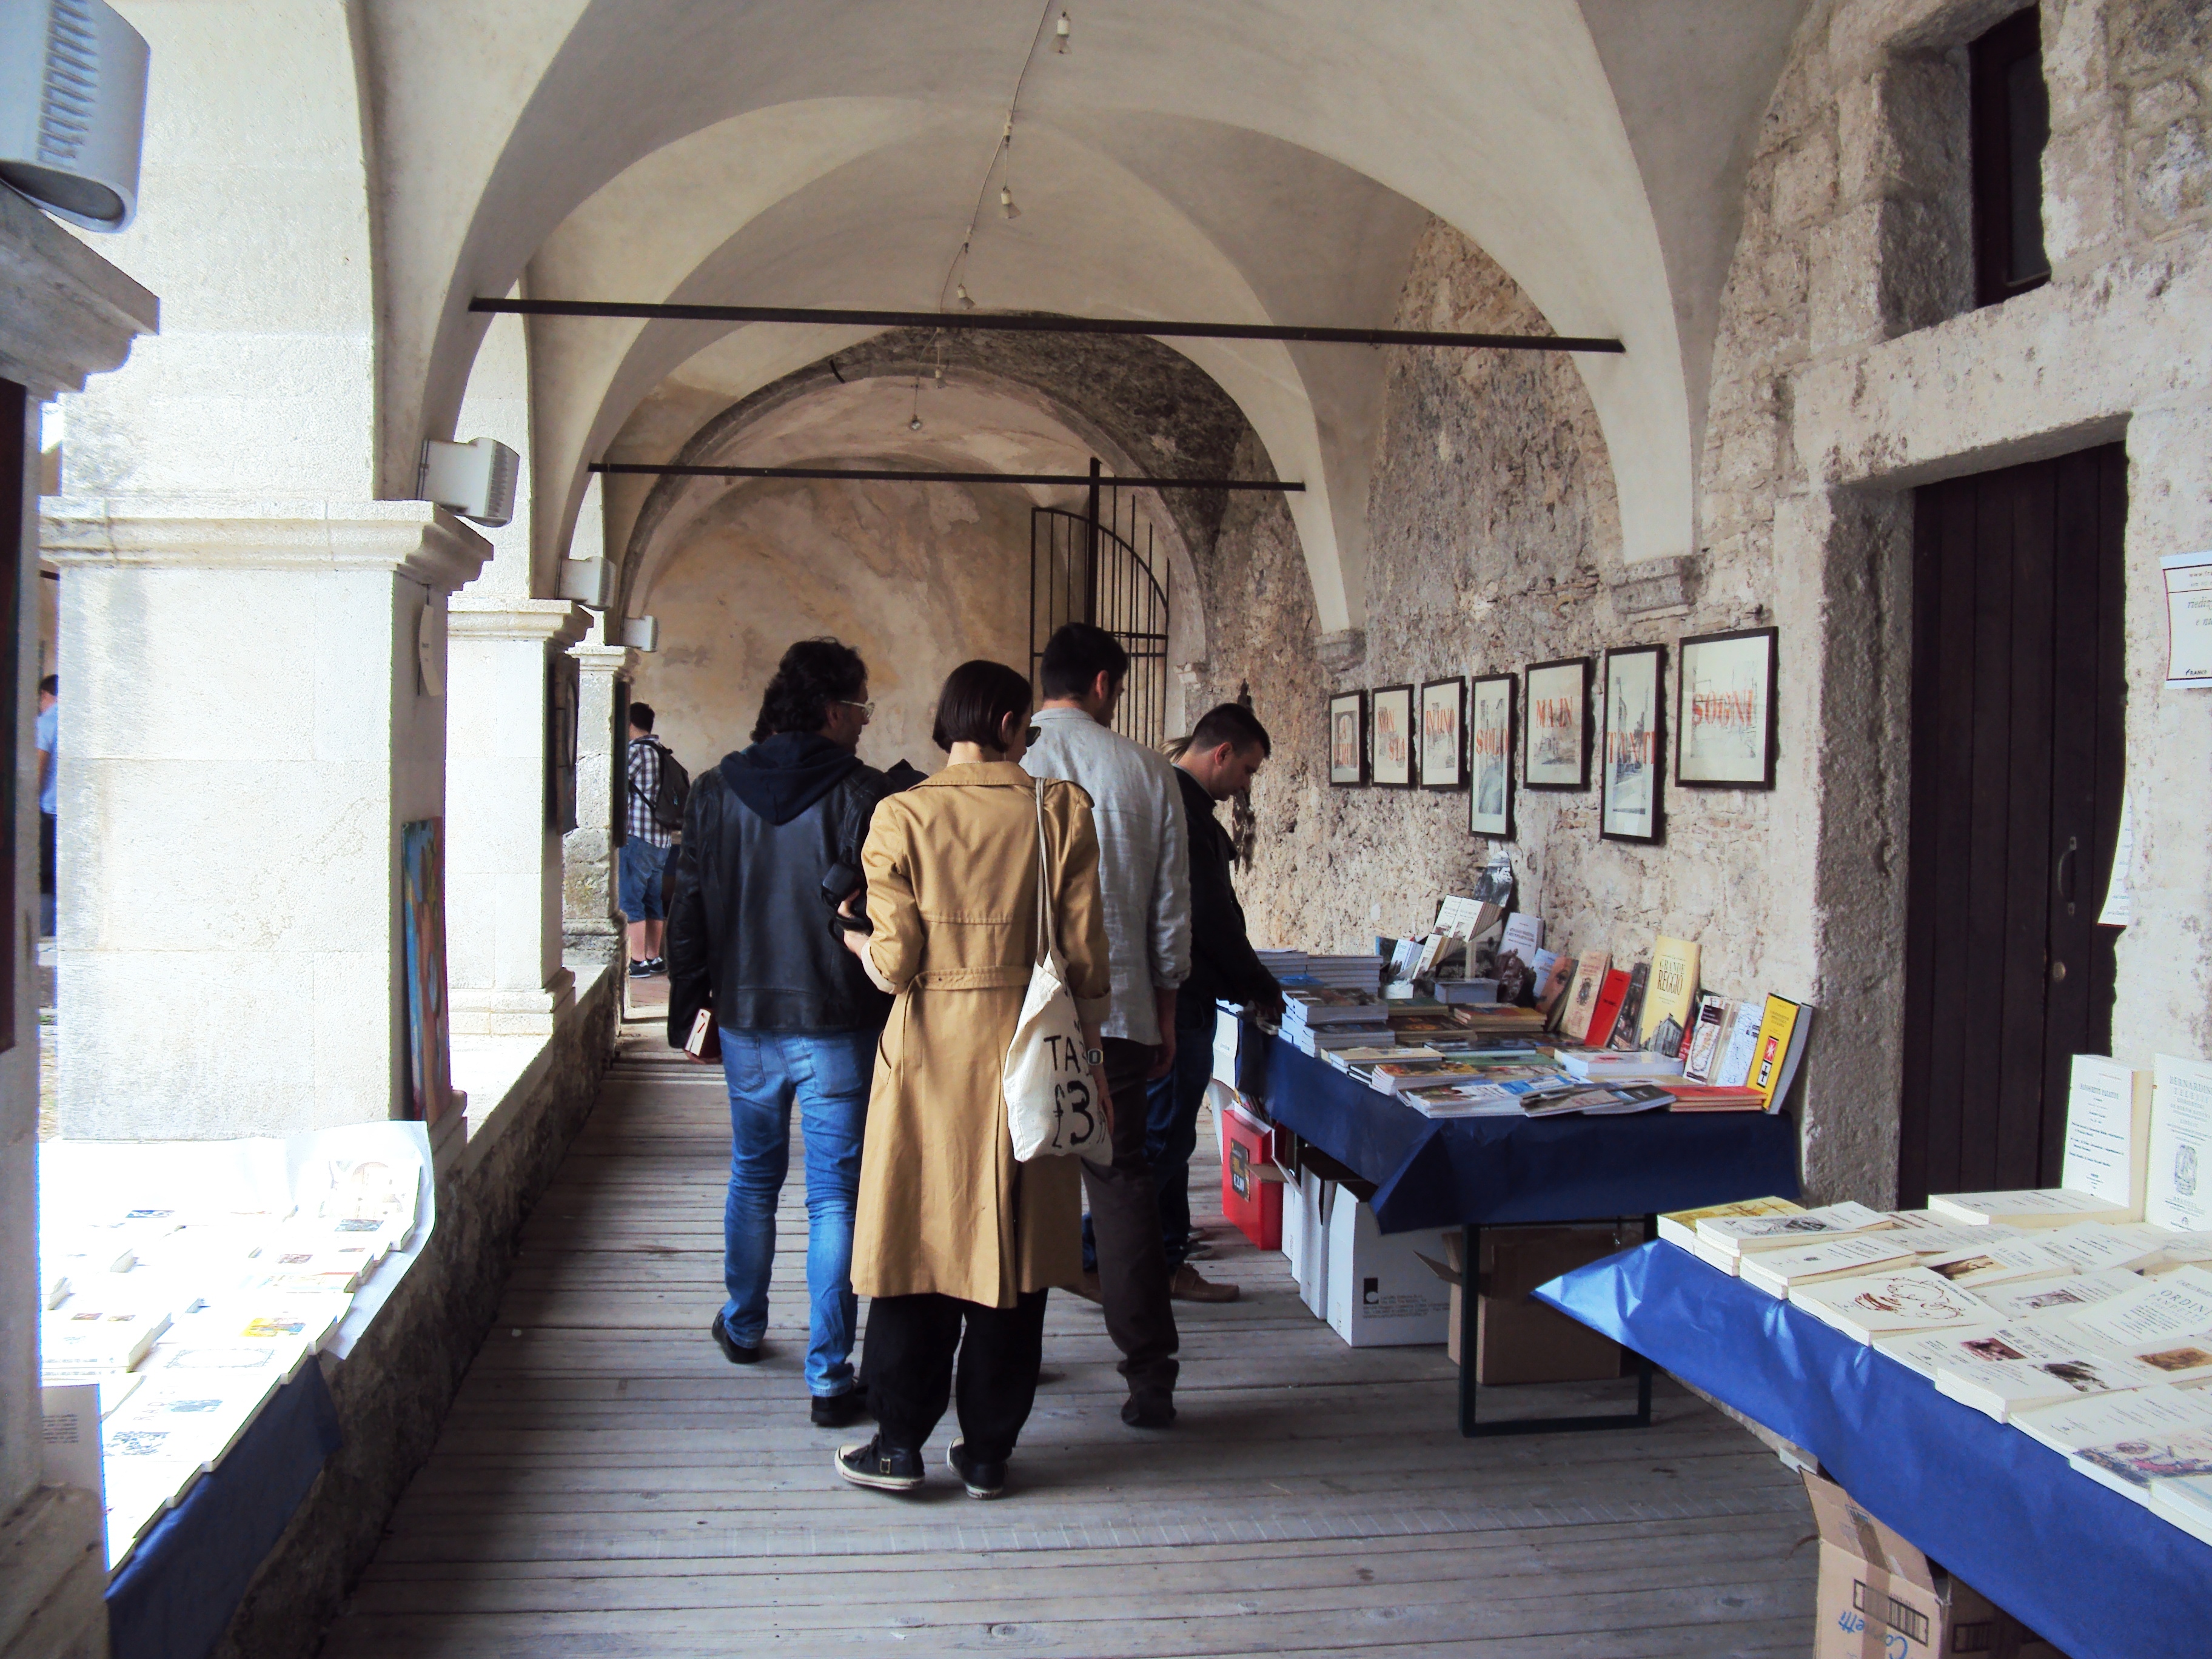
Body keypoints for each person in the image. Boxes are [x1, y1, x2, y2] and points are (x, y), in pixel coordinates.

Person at [832, 660, 1111, 1499]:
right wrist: (1090, 1057)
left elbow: (892, 965)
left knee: (917, 1247)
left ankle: (897, 1446)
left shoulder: (901, 816)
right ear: (1009, 720)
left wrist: (847, 934)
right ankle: (989, 1451)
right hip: (1031, 1046)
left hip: (931, 1058)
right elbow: (1089, 959)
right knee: (1016, 1258)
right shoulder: (1058, 810)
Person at [663, 640, 890, 1428]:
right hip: (839, 1020)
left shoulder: (716, 792)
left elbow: (687, 911)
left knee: (753, 1176)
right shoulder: (865, 795)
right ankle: (830, 1377)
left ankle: (745, 1322)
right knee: (836, 1197)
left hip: (749, 1017)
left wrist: (691, 1015)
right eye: (860, 708)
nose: (864, 724)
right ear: (832, 711)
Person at [1020, 622, 1190, 1427]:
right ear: (1100, 683)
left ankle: (1009, 1357)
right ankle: (1149, 1374)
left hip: (1016, 1015)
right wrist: (1164, 1007)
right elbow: (1169, 911)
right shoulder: (1148, 772)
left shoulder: (1008, 766)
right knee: (1121, 1189)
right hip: (1115, 1012)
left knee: (1017, 1180)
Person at [1147, 705, 1282, 1298]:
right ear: (1221, 753)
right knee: (1167, 1133)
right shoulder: (1181, 811)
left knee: (1170, 1132)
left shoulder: (1169, 799)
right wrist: (1254, 980)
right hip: (1183, 995)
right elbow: (1207, 915)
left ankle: (1161, 1245)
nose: (1246, 785)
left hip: (1179, 991)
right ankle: (1145, 1258)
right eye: (1248, 770)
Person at [622, 703, 677, 976]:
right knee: (653, 899)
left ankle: (637, 960)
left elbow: (615, 786)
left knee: (630, 899)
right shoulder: (662, 753)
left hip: (638, 837)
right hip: (663, 840)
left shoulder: (636, 752)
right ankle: (655, 958)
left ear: (629, 723)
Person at [36, 675, 56, 938]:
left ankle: (43, 935)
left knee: (45, 880)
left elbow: (38, 767)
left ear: (45, 696)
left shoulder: (46, 723)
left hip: (49, 814)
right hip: (73, 814)